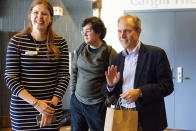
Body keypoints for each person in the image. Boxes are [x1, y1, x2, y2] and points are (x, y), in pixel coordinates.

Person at [4, 0, 70, 130]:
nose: (40, 17)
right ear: (30, 15)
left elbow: (64, 77)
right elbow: (10, 78)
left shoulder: (60, 43)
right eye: (36, 12)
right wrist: (36, 103)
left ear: (51, 18)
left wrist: (50, 107)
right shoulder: (16, 41)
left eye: (44, 14)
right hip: (23, 111)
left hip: (51, 109)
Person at [102, 14, 174, 131]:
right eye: (119, 31)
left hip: (148, 118)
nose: (122, 36)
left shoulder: (156, 54)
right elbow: (107, 91)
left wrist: (140, 92)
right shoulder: (117, 58)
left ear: (138, 31)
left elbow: (167, 86)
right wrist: (110, 85)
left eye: (127, 31)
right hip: (122, 116)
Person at [69, 16, 117, 131]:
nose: (84, 34)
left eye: (88, 31)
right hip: (77, 103)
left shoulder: (109, 53)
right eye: (83, 31)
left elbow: (116, 81)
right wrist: (73, 92)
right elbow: (74, 70)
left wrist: (107, 102)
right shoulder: (81, 48)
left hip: (97, 106)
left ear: (98, 32)